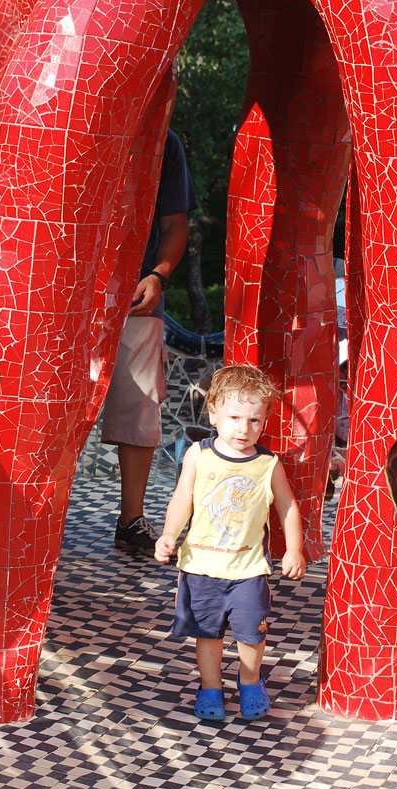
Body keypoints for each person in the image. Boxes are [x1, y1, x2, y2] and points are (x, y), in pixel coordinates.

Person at [154, 365, 305, 721]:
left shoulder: (268, 464)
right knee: (208, 634)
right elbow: (182, 499)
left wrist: (294, 548)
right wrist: (168, 535)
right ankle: (210, 686)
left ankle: (250, 679)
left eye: (254, 420)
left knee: (251, 633)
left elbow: (287, 506)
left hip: (248, 569)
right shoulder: (199, 455)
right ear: (213, 414)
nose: (244, 428)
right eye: (235, 417)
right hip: (201, 568)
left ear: (265, 420)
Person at [102, 128, 198, 556]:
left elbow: (176, 224)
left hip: (138, 301)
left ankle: (131, 520)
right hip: (67, 296)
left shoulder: (167, 142)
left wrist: (157, 275)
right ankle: (36, 518)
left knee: (139, 406)